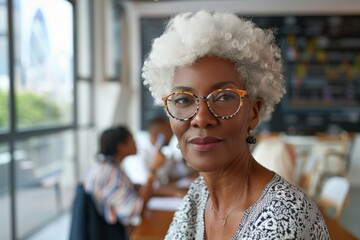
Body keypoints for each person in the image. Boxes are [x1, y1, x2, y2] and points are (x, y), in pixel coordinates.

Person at [142, 11, 330, 239]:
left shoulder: (285, 217)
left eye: (223, 97)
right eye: (183, 99)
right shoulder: (199, 195)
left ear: (253, 112)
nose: (201, 118)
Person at [84, 125, 165, 237]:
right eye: (132, 139)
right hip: (114, 233)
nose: (136, 142)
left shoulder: (103, 166)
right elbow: (135, 211)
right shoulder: (110, 174)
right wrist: (152, 171)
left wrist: (172, 192)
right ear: (121, 147)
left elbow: (135, 188)